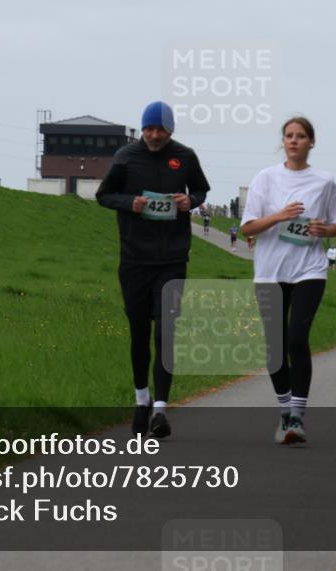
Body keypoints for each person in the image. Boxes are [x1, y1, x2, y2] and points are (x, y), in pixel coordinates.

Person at [96, 100, 210, 439]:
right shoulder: (126, 157)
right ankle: (141, 400)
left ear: (170, 130)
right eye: (149, 128)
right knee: (139, 334)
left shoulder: (185, 156)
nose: (154, 135)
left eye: (160, 129)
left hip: (172, 258)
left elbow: (202, 188)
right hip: (134, 259)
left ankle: (161, 409)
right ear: (142, 128)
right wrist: (129, 203)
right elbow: (104, 195)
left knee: (166, 331)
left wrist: (192, 201)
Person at [241, 116, 336, 445]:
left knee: (296, 339)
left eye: (300, 136)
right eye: (288, 136)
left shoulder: (325, 181)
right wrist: (278, 216)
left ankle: (297, 416)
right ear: (282, 141)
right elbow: (247, 228)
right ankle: (284, 410)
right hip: (270, 271)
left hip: (309, 269)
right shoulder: (265, 178)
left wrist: (322, 230)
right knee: (275, 348)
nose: (294, 141)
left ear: (312, 142)